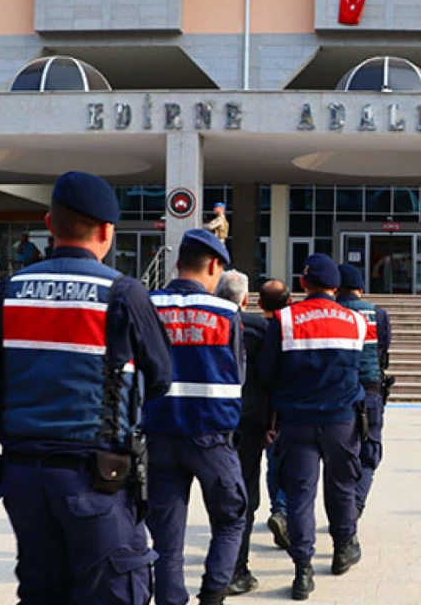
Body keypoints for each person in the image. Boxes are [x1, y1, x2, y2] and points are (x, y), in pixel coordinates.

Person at [0, 170, 174, 603]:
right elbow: (161, 376)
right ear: (108, 230)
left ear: (49, 225)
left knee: (42, 590)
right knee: (113, 590)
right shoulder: (122, 293)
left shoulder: (6, 292)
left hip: (23, 475)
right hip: (99, 477)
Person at [145, 229, 247, 605]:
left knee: (166, 536)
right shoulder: (226, 312)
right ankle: (213, 595)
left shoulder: (148, 306)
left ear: (176, 263)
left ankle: (170, 600)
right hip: (211, 436)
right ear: (215, 265)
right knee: (231, 518)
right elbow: (238, 374)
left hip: (158, 432)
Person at [259, 254, 367, 601]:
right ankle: (341, 550)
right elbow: (356, 368)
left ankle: (302, 571)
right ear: (336, 286)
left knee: (300, 496)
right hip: (341, 421)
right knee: (342, 487)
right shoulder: (355, 320)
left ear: (303, 284)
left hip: (296, 421)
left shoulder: (285, 319)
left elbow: (267, 372)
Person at [218, 271, 270, 596]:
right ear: (246, 299)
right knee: (244, 494)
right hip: (249, 420)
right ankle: (236, 568)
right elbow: (272, 375)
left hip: (207, 420)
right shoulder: (260, 328)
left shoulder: (203, 320)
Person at [337, 264, 392, 518]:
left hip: (335, 393)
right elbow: (383, 349)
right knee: (369, 454)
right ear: (361, 289)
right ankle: (356, 503)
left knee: (336, 457)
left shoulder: (331, 312)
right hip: (370, 390)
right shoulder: (377, 314)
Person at [260, 281, 293, 552]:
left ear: (259, 304)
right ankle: (283, 511)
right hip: (288, 405)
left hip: (263, 406)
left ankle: (277, 508)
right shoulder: (289, 328)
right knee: (292, 462)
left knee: (273, 461)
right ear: (290, 301)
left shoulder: (254, 328)